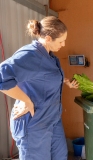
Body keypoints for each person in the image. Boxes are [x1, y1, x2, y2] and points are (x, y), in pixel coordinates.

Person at [0, 16, 79, 160]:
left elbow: (43, 78)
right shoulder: (30, 55)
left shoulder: (50, 56)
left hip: (52, 119)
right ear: (48, 38)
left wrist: (65, 81)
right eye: (61, 41)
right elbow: (2, 77)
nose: (64, 44)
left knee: (60, 156)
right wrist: (26, 100)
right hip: (34, 123)